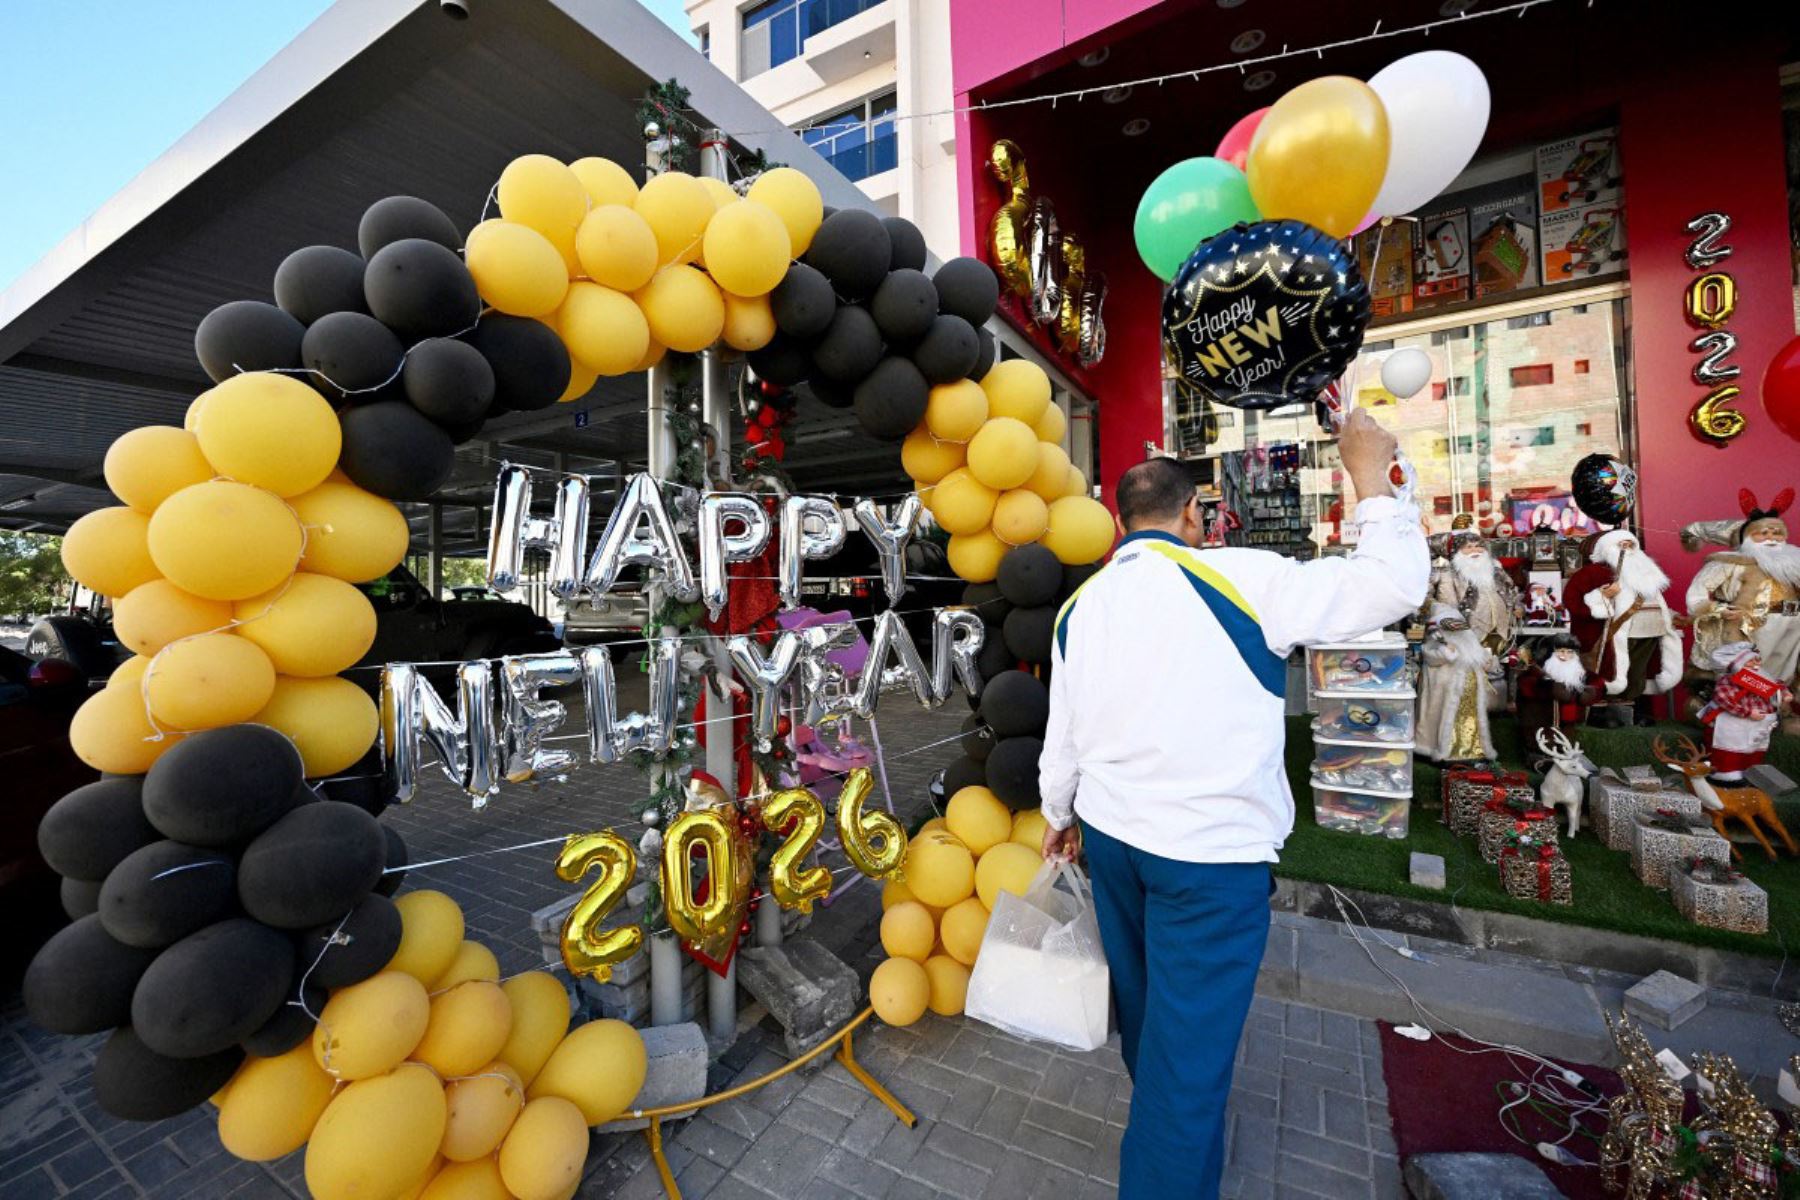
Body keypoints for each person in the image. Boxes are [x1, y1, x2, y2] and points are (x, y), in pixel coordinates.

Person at [1037, 408, 1428, 1200]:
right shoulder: (1244, 575)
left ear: (1118, 521)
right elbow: (1393, 585)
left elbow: (1063, 738)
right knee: (1187, 1057)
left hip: (1114, 841)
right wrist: (1369, 482)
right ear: (1193, 516)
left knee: (1154, 1020)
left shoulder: (1082, 606)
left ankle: (1172, 1134)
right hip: (1208, 860)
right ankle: (1167, 1169)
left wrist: (1057, 816)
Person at [1682, 489, 1800, 698]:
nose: (1771, 538)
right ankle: (1740, 712)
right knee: (1748, 671)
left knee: (1783, 674)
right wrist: (1719, 609)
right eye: (1763, 533)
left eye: (1776, 533)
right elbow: (1697, 594)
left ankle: (1776, 713)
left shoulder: (1793, 563)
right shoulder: (1727, 562)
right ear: (1747, 537)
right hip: (1748, 627)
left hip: (1791, 625)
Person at [1566, 529, 1682, 727]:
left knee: (1637, 671)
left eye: (1630, 545)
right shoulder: (1593, 573)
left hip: (1650, 629)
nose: (1627, 549)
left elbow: (1656, 600)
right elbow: (1573, 601)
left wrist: (1670, 618)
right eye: (1621, 545)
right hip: (1615, 633)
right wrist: (1604, 595)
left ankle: (1630, 710)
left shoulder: (1647, 572)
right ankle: (1603, 713)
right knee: (1610, 670)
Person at [1415, 605, 1499, 763]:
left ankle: (1472, 750)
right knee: (1445, 721)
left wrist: (1488, 661)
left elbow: (1482, 659)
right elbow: (1431, 656)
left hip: (1470, 696)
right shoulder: (1433, 645)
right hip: (1445, 693)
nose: (1457, 632)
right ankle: (1444, 751)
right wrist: (1446, 652)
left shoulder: (1471, 645)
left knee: (1470, 722)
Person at [1428, 531, 1520, 655]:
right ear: (1456, 551)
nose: (1475, 550)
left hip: (1501, 631)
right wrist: (1443, 616)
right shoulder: (1447, 574)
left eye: (1478, 546)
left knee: (1495, 665)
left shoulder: (1495, 571)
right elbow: (1429, 599)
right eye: (1468, 547)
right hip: (1465, 632)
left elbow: (1511, 589)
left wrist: (1517, 605)